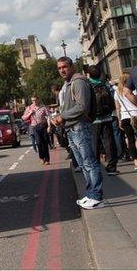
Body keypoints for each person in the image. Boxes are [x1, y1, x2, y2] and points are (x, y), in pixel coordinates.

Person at [51, 57, 104, 209]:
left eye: (64, 66)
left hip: (80, 127)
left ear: (72, 66)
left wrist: (63, 116)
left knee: (89, 162)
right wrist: (59, 116)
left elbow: (83, 107)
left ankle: (97, 197)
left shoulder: (78, 81)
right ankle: (90, 194)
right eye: (59, 68)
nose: (62, 70)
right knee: (83, 164)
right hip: (72, 128)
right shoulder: (67, 84)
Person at [115, 72, 137, 167]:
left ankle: (136, 161)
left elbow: (118, 108)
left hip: (125, 117)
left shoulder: (117, 92)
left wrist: (119, 120)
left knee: (130, 140)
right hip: (135, 115)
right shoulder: (133, 90)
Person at [23, 96, 51, 165]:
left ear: (38, 100)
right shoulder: (29, 108)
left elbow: (48, 116)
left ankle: (47, 159)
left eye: (35, 100)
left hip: (43, 126)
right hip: (35, 127)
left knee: (45, 143)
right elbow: (23, 118)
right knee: (38, 143)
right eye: (33, 100)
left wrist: (49, 126)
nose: (34, 102)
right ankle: (41, 158)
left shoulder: (43, 107)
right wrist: (30, 113)